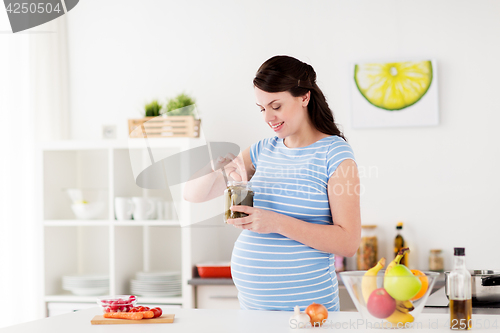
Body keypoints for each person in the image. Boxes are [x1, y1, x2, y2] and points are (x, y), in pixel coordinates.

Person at [184, 55, 361, 312]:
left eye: (276, 106)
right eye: (262, 108)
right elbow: (192, 194)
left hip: (308, 312)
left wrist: (275, 222)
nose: (268, 117)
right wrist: (214, 168)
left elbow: (348, 242)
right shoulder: (262, 151)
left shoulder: (334, 154)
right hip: (254, 310)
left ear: (304, 97)